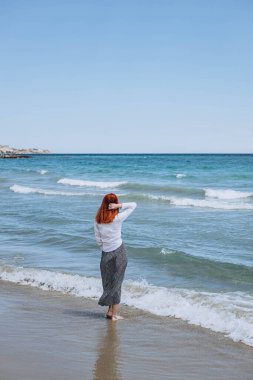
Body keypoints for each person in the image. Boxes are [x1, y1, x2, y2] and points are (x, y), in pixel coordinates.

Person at [94, 193, 137, 321]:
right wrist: (119, 205)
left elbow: (98, 240)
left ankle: (109, 311)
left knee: (109, 284)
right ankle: (114, 315)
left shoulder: (97, 219)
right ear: (114, 204)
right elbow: (133, 205)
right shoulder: (117, 218)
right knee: (117, 284)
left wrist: (105, 248)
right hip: (119, 252)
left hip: (105, 254)